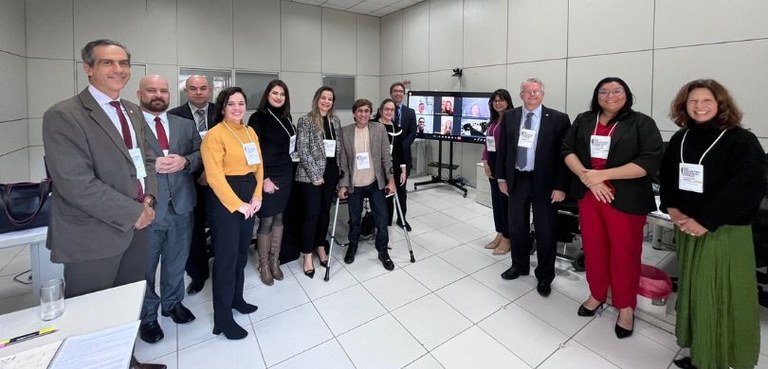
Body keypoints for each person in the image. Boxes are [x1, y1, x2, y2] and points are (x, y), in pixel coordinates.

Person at [42, 39, 164, 369]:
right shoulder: (64, 115)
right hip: (93, 235)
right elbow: (75, 183)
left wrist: (149, 200)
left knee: (127, 305)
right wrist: (134, 212)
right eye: (108, 63)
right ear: (88, 68)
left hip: (138, 228)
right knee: (89, 316)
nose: (118, 69)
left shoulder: (132, 111)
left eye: (123, 63)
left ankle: (127, 361)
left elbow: (147, 161)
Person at [660, 79, 766, 369]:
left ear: (721, 104)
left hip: (722, 231)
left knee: (720, 294)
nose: (699, 106)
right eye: (693, 101)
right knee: (696, 290)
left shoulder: (740, 140)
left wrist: (706, 220)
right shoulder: (681, 138)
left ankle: (718, 359)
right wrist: (672, 207)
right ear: (684, 105)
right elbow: (667, 176)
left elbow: (747, 188)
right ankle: (702, 353)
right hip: (687, 227)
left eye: (707, 100)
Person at [562, 77, 663, 338]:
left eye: (616, 91)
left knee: (624, 254)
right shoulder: (585, 120)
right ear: (596, 96)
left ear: (627, 94)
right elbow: (567, 150)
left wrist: (602, 176)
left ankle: (625, 306)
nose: (610, 96)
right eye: (604, 92)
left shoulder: (641, 123)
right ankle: (597, 294)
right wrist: (588, 178)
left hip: (625, 198)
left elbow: (649, 161)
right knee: (594, 249)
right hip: (590, 195)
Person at [136, 75, 201, 344]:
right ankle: (147, 315)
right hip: (148, 207)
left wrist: (185, 162)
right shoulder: (131, 125)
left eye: (163, 90)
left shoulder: (184, 124)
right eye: (151, 90)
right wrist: (151, 166)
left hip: (182, 204)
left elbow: (201, 154)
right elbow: (120, 161)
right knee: (145, 267)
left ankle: (172, 303)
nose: (158, 95)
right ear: (140, 94)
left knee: (176, 260)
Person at [496, 78, 570, 298]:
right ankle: (519, 265)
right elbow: (503, 150)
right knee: (517, 225)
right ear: (521, 95)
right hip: (517, 179)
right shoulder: (510, 116)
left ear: (543, 94)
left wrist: (560, 186)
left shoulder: (558, 119)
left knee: (545, 230)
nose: (532, 95)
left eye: (536, 91)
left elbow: (564, 156)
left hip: (545, 182)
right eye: (527, 92)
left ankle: (545, 275)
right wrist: (501, 178)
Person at [201, 87, 262, 340]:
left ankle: (237, 299)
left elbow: (259, 165)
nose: (237, 108)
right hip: (226, 199)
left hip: (249, 194)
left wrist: (257, 195)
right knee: (225, 261)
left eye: (241, 103)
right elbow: (214, 177)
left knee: (240, 256)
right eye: (231, 104)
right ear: (222, 108)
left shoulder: (249, 131)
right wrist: (238, 204)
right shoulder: (214, 135)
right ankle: (223, 319)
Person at [168, 75, 217, 295]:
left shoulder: (221, 111)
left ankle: (221, 266)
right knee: (193, 229)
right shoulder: (174, 116)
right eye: (193, 88)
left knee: (219, 225)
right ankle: (198, 274)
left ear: (210, 90)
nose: (198, 92)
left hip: (218, 180)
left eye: (203, 88)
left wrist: (209, 171)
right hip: (187, 181)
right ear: (185, 91)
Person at [338, 99, 396, 270]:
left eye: (366, 111)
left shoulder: (379, 129)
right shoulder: (345, 132)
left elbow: (386, 157)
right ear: (354, 113)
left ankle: (383, 251)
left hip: (374, 182)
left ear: (371, 113)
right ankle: (353, 245)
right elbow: (343, 161)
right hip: (354, 184)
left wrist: (391, 179)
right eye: (360, 111)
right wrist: (343, 185)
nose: (363, 114)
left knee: (382, 218)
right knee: (354, 220)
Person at [247, 80, 295, 286]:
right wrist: (264, 178)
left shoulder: (287, 117)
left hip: (285, 173)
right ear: (267, 95)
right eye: (274, 93)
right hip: (266, 174)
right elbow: (253, 153)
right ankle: (264, 264)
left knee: (280, 217)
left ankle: (275, 260)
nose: (278, 97)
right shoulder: (257, 118)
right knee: (266, 219)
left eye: (282, 94)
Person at [295, 86, 342, 278]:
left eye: (330, 99)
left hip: (331, 173)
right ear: (317, 99)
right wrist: (315, 175)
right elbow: (302, 149)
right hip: (310, 176)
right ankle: (307, 254)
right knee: (312, 214)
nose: (326, 101)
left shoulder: (335, 121)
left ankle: (320, 246)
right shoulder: (305, 120)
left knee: (324, 213)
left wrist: (340, 173)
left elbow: (338, 148)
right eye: (323, 98)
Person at [481, 89, 515, 255]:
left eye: (501, 100)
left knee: (505, 203)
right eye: (495, 100)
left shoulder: (512, 121)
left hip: (506, 167)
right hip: (493, 164)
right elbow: (488, 144)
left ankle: (508, 237)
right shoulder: (493, 122)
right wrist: (485, 161)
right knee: (496, 202)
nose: (498, 103)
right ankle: (500, 232)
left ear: (508, 102)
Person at [385, 82, 416, 231]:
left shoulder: (410, 112)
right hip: (387, 158)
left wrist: (401, 145)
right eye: (395, 91)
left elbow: (413, 132)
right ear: (391, 93)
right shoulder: (384, 110)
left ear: (404, 94)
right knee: (388, 191)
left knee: (402, 191)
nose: (398, 93)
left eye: (400, 91)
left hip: (404, 157)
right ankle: (387, 220)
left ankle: (402, 219)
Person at [378, 99, 408, 242]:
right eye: (386, 109)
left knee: (389, 200)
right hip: (376, 169)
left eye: (392, 110)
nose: (389, 112)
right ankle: (377, 228)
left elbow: (401, 151)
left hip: (392, 169)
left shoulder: (397, 129)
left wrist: (403, 171)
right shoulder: (373, 125)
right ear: (381, 110)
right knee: (377, 200)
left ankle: (388, 232)